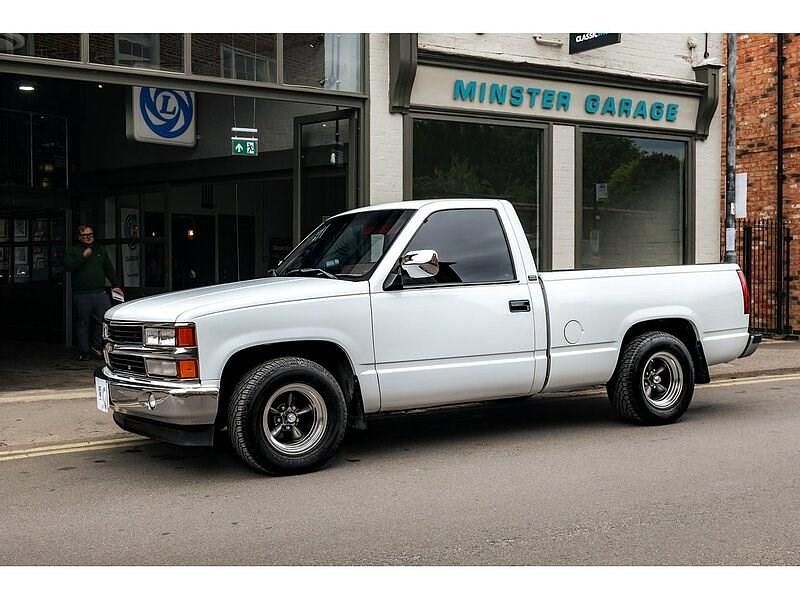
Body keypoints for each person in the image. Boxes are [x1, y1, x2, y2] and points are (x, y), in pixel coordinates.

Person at [64, 224, 123, 361]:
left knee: (104, 321)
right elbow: (68, 266)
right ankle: (84, 352)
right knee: (83, 323)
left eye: (91, 234)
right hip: (82, 293)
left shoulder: (100, 249)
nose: (89, 237)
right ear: (79, 237)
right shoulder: (73, 250)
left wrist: (115, 285)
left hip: (100, 293)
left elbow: (108, 268)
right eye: (85, 235)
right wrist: (82, 257)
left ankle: (96, 346)